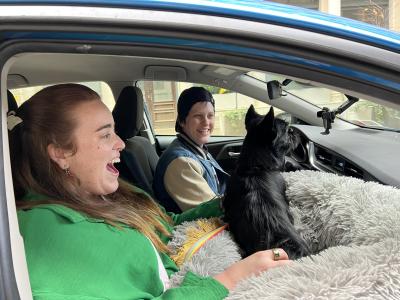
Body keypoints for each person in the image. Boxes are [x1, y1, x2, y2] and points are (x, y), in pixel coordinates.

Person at [10, 83, 289, 300]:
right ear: (60, 153)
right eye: (105, 134)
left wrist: (231, 201)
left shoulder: (102, 193)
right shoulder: (49, 236)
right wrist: (231, 279)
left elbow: (166, 223)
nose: (121, 143)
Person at [153, 87, 229, 213]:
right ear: (182, 121)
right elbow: (213, 213)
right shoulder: (182, 163)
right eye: (198, 116)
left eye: (210, 116)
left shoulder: (196, 149)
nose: (206, 123)